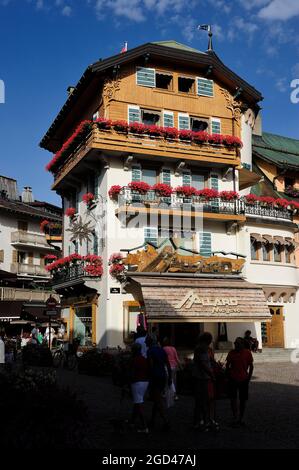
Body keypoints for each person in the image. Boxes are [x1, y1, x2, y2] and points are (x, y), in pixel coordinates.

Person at [192, 332, 218, 431]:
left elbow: (208, 361)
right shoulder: (202, 349)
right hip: (202, 378)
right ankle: (202, 421)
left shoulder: (203, 348)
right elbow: (203, 364)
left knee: (201, 401)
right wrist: (212, 374)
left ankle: (200, 421)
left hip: (201, 377)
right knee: (203, 400)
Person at [226, 337, 254, 426]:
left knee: (243, 400)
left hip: (244, 379)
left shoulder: (247, 353)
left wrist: (249, 377)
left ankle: (241, 418)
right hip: (233, 379)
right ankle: (235, 417)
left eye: (237, 343)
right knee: (233, 399)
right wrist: (228, 375)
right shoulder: (231, 353)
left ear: (242, 344)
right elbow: (227, 365)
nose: (236, 345)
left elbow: (251, 366)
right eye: (235, 343)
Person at [146, 335, 172, 430]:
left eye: (146, 341)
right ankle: (152, 420)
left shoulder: (150, 351)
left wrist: (149, 378)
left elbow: (150, 365)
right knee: (156, 399)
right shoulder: (162, 350)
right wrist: (170, 377)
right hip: (163, 376)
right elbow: (168, 364)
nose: (145, 343)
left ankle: (166, 420)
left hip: (155, 377)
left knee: (157, 399)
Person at [129, 343, 150, 433]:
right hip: (145, 382)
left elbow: (132, 373)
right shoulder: (144, 359)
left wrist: (128, 382)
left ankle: (144, 426)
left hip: (137, 382)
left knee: (138, 403)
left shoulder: (134, 360)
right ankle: (132, 421)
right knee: (137, 402)